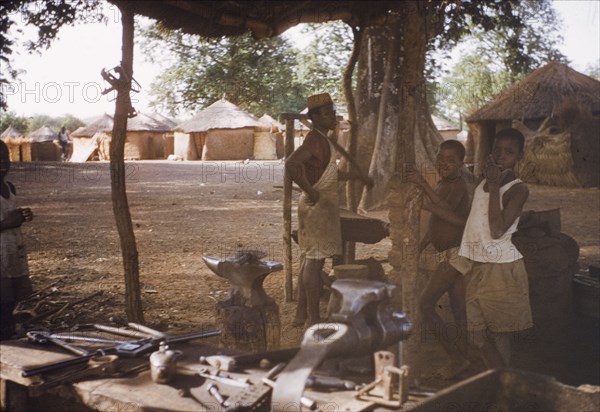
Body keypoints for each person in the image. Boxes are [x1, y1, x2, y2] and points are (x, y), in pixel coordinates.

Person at [286, 93, 371, 328]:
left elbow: (327, 173)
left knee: (309, 260)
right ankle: (314, 319)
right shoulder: (316, 140)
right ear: (314, 118)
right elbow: (292, 164)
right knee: (314, 263)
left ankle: (302, 314)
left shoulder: (323, 139)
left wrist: (356, 176)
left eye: (332, 111)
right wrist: (311, 192)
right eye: (326, 113)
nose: (332, 116)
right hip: (316, 207)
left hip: (320, 207)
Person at [451, 127, 532, 369]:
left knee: (499, 336)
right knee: (476, 336)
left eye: (509, 152)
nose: (500, 156)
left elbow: (497, 231)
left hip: (502, 269)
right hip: (477, 265)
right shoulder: (482, 183)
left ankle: (503, 385)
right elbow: (472, 220)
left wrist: (495, 185)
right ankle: (499, 378)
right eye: (497, 150)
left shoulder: (518, 189)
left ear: (519, 156)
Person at [407, 139, 471, 379]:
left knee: (425, 304)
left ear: (461, 163)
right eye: (440, 159)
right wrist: (422, 245)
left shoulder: (459, 186)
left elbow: (446, 211)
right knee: (457, 308)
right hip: (451, 253)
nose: (444, 164)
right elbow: (437, 222)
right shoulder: (445, 183)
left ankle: (456, 358)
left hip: (456, 254)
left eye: (451, 161)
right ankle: (463, 357)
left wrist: (422, 184)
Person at [0, 140, 34, 340]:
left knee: (12, 293)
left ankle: (7, 325)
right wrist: (6, 223)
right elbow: (7, 220)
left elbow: (11, 214)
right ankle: (4, 330)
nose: (2, 163)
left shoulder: (10, 188)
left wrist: (23, 216)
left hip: (12, 248)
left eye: (5, 158)